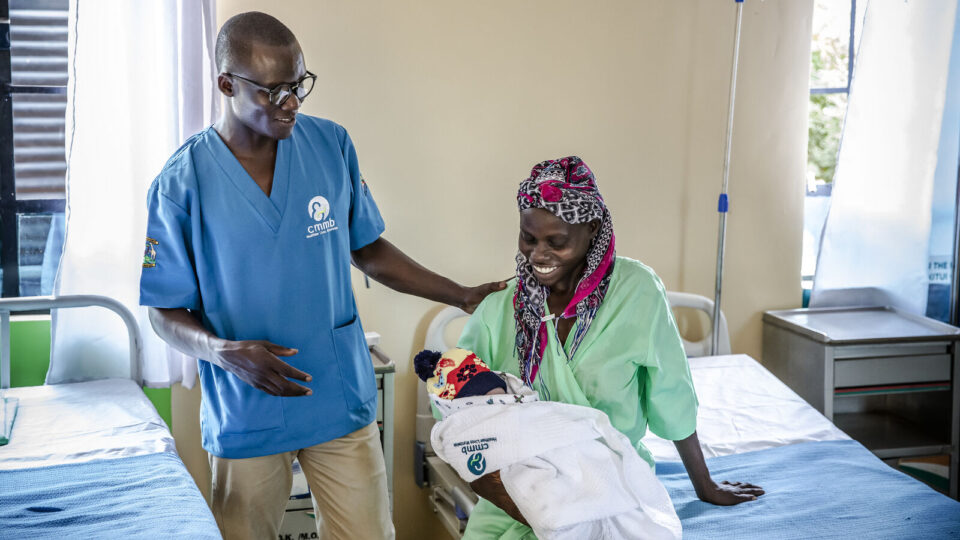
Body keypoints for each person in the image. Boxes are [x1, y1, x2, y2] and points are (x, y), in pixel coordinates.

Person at [138, 12, 503, 540]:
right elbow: (163, 310)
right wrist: (222, 351)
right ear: (226, 84)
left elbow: (369, 249)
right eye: (274, 91)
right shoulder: (180, 184)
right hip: (248, 408)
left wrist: (463, 294)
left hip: (337, 394)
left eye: (299, 85)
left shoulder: (330, 146)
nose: (292, 103)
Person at [456, 156, 764, 538]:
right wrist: (513, 499)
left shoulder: (637, 293)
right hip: (518, 494)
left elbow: (672, 396)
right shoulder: (501, 308)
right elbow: (458, 408)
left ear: (592, 229)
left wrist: (705, 485)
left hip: (613, 488)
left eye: (557, 242)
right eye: (529, 238)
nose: (537, 255)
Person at [416, 347, 683, 540]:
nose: (494, 395)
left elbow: (542, 415)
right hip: (521, 462)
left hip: (565, 446)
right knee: (555, 511)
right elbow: (469, 442)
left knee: (604, 479)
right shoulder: (462, 423)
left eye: (494, 387)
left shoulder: (516, 396)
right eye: (484, 394)